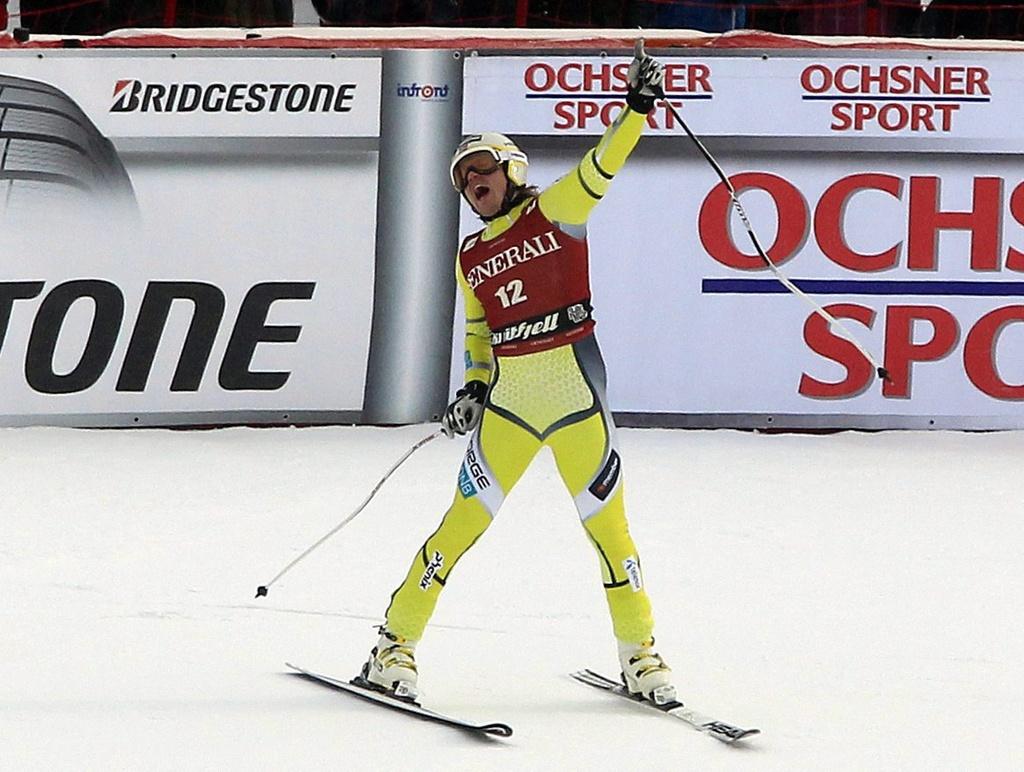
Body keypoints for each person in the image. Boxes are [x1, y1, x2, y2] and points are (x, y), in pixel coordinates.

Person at [360, 45, 675, 707]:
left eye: (482, 169)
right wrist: (474, 386)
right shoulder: (470, 253)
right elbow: (478, 332)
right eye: (462, 176)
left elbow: (605, 163)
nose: (472, 180)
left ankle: (640, 656)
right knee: (458, 528)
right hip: (510, 410)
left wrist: (637, 110)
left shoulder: (556, 209)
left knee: (610, 533)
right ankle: (394, 646)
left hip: (576, 404)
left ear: (511, 171)